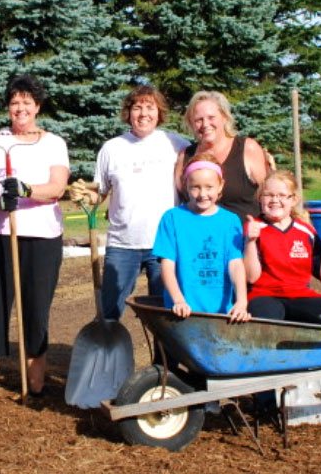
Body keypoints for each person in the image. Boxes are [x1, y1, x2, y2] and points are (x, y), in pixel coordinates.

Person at [0, 74, 69, 411]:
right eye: (15, 103)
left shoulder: (53, 143)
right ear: (8, 107)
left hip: (41, 239)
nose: (20, 108)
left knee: (35, 312)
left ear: (37, 106)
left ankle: (35, 386)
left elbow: (57, 188)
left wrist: (26, 191)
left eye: (27, 102)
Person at [68, 85, 189, 320]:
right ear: (129, 112)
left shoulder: (177, 145)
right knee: (110, 310)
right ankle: (109, 352)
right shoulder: (112, 148)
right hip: (123, 243)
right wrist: (84, 195)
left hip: (165, 244)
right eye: (137, 107)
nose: (143, 114)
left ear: (159, 112)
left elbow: (202, 170)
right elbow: (99, 193)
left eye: (150, 107)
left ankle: (163, 358)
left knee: (166, 313)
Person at [243, 170, 321, 326]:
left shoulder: (305, 230)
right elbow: (251, 278)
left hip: (300, 294)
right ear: (260, 198)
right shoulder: (253, 228)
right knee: (265, 324)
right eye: (268, 195)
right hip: (263, 295)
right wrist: (250, 241)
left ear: (293, 199)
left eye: (282, 195)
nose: (275, 200)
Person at [151, 154, 250, 321]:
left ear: (220, 186)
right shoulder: (172, 218)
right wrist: (178, 300)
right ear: (185, 186)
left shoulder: (230, 221)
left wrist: (241, 301)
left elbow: (235, 264)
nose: (202, 194)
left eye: (209, 187)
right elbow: (167, 265)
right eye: (195, 187)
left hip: (221, 312)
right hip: (183, 311)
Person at [175, 90, 270, 222]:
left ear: (224, 117)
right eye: (198, 120)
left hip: (243, 238)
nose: (205, 124)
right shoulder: (185, 156)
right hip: (200, 239)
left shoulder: (248, 148)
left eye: (211, 117)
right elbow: (180, 202)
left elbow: (270, 194)